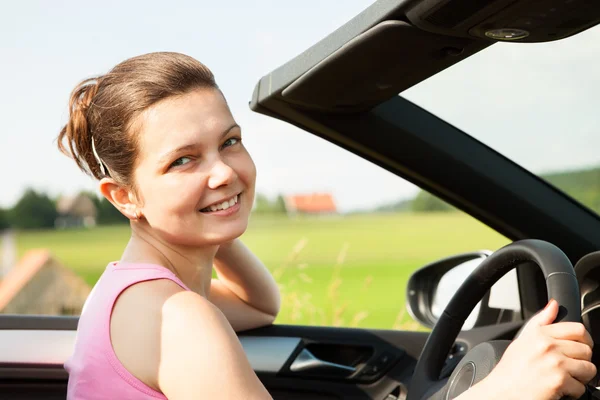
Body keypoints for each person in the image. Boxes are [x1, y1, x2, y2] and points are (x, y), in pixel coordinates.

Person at [58, 52, 595, 400]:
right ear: (125, 197)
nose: (224, 170)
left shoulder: (132, 291)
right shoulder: (177, 318)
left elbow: (261, 304)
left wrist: (204, 218)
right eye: (183, 160)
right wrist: (504, 390)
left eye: (229, 141)